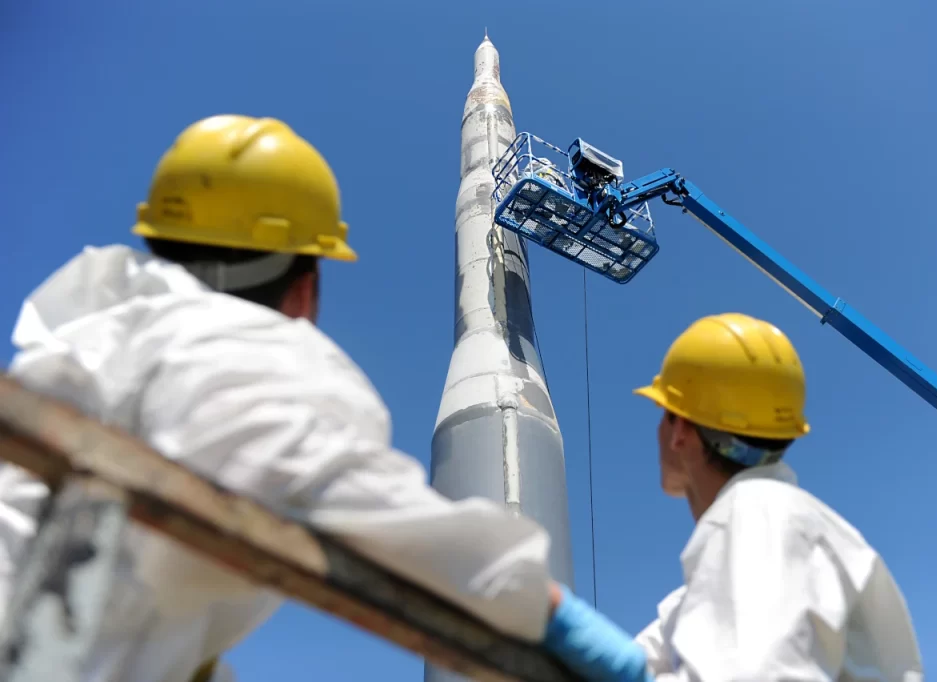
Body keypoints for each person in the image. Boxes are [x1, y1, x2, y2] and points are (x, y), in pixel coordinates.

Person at [0, 114, 647, 682]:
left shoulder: (79, 341)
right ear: (306, 285)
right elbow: (403, 528)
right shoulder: (264, 363)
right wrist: (552, 612)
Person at [631, 313, 924, 682]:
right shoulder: (770, 530)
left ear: (682, 431)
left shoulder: (757, 519)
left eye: (665, 412)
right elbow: (655, 650)